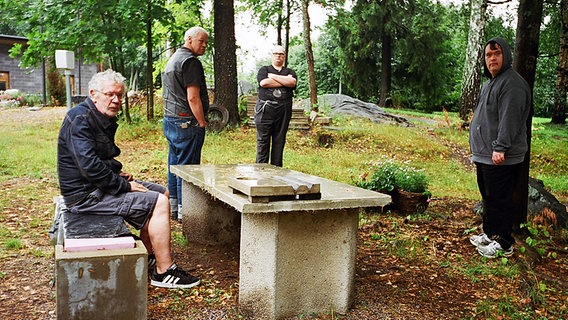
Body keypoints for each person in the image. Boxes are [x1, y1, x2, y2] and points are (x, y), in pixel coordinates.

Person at [57, 69, 200, 289]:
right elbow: (89, 166)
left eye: (119, 95)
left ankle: (148, 255)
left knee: (163, 192)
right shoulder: (80, 119)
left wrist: (115, 173)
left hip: (97, 186)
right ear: (93, 94)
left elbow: (98, 158)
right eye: (110, 94)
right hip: (85, 196)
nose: (115, 100)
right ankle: (164, 271)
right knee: (159, 203)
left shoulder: (99, 116)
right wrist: (122, 185)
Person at [468, 37, 531, 258]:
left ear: (505, 56)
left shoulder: (512, 84)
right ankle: (490, 233)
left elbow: (509, 119)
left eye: (496, 54)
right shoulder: (490, 83)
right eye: (488, 55)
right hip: (485, 155)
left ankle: (504, 243)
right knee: (489, 197)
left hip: (501, 156)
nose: (492, 59)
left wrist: (500, 147)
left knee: (501, 199)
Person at [162, 26, 210, 221]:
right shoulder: (190, 62)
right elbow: (192, 97)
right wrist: (201, 122)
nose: (205, 45)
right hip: (186, 121)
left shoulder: (172, 60)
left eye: (206, 42)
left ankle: (173, 207)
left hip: (170, 120)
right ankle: (186, 212)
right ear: (189, 40)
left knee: (174, 165)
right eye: (201, 41)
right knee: (188, 168)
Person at [254, 45, 297, 167]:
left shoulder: (290, 72)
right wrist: (284, 81)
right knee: (263, 141)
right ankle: (261, 170)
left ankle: (277, 172)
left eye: (281, 54)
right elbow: (263, 82)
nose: (279, 56)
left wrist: (272, 76)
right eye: (276, 53)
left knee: (279, 140)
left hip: (283, 110)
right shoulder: (264, 69)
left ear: (284, 56)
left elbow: (292, 82)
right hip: (265, 110)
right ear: (272, 55)